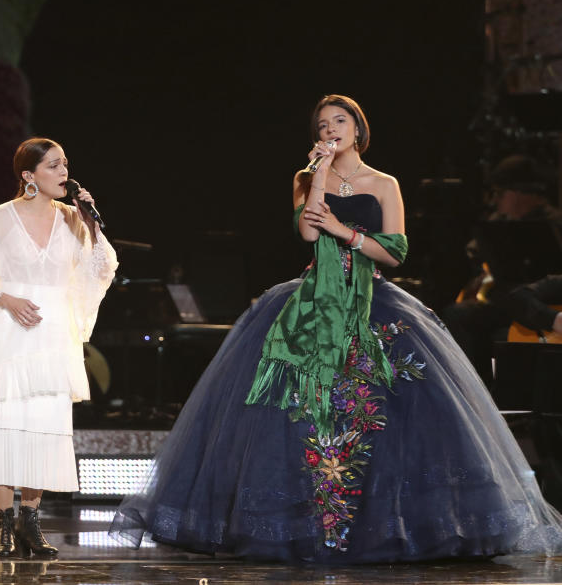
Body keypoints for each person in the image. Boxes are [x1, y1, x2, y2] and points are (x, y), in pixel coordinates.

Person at [110, 95, 562, 562]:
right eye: (323, 124)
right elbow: (307, 233)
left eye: (340, 121)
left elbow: (396, 252)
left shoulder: (384, 183)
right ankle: (303, 521)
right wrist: (320, 174)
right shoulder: (306, 179)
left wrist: (345, 232)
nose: (331, 129)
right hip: (311, 300)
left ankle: (390, 524)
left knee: (388, 408)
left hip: (372, 298)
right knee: (297, 410)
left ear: (359, 129)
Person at [0, 138, 117, 557]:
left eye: (65, 165)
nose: (64, 173)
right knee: (7, 422)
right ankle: (3, 524)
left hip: (55, 328)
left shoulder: (73, 219)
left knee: (45, 423)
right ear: (29, 175)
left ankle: (30, 520)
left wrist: (92, 223)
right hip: (11, 326)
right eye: (54, 166)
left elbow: (101, 269)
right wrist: (6, 299)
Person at [442, 154, 562, 387]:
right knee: (459, 314)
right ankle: (473, 391)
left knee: (506, 308)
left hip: (544, 300)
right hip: (514, 299)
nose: (495, 201)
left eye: (500, 194)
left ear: (518, 194)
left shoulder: (554, 223)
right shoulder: (499, 223)